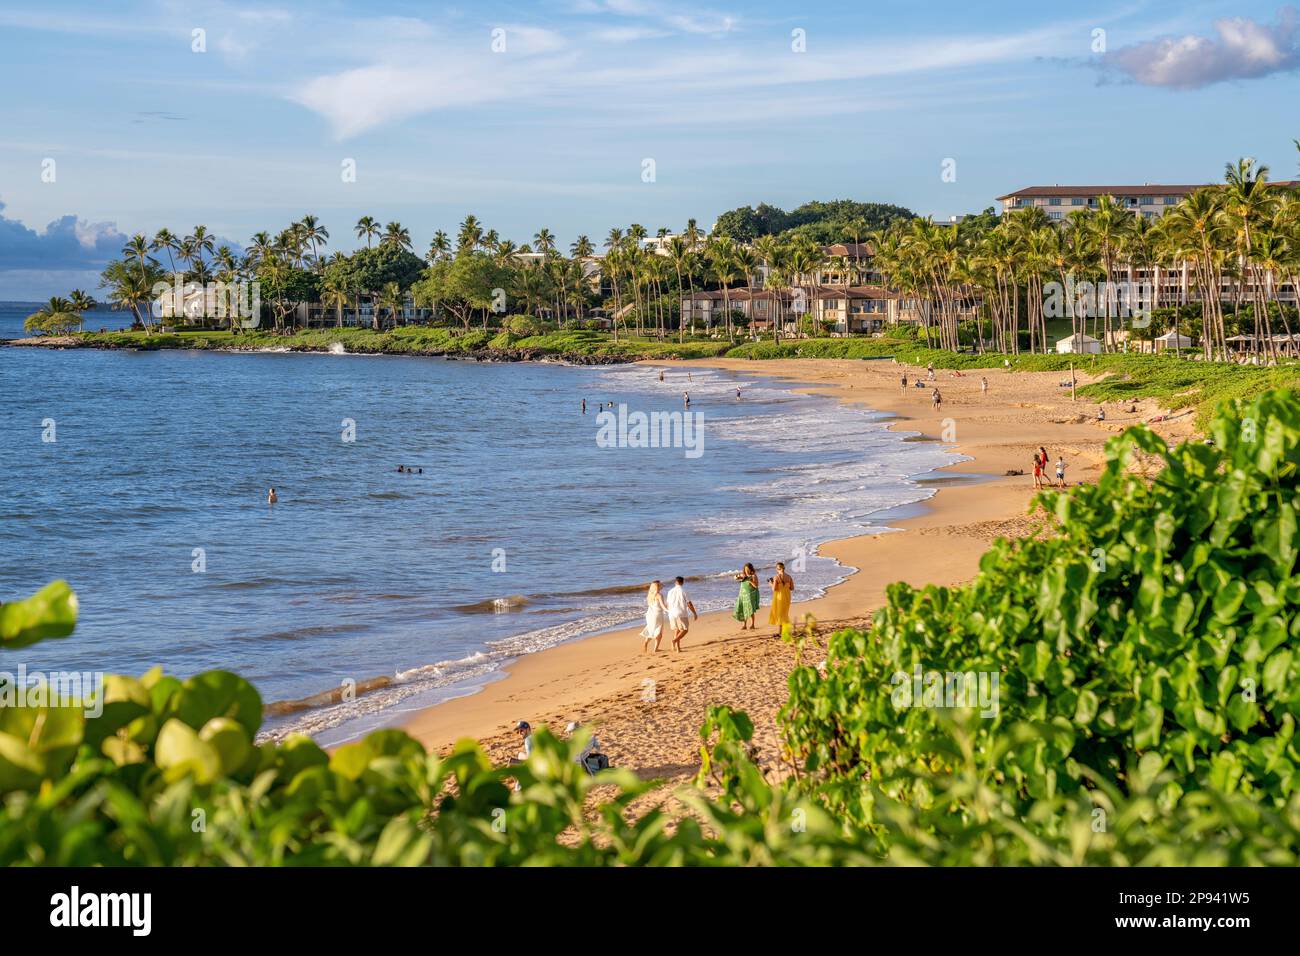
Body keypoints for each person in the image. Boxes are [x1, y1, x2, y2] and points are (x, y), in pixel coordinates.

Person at [665, 576, 698, 652]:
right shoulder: (684, 591)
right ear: (682, 582)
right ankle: (674, 640)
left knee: (677, 630)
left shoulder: (670, 591)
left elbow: (667, 604)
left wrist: (669, 611)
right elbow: (689, 603)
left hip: (671, 613)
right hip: (680, 613)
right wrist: (694, 613)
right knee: (685, 629)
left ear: (675, 582)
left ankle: (678, 649)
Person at [640, 580, 670, 652]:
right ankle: (655, 649)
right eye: (660, 585)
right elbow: (663, 606)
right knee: (659, 632)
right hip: (657, 615)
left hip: (649, 615)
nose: (662, 585)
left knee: (651, 630)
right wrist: (669, 611)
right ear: (658, 587)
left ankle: (645, 643)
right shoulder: (659, 595)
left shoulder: (649, 595)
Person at [768, 562, 794, 638]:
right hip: (787, 597)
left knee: (780, 614)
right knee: (785, 613)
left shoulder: (776, 577)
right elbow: (792, 588)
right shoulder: (789, 577)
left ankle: (781, 632)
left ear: (777, 569)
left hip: (779, 597)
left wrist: (770, 583)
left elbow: (774, 589)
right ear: (784, 568)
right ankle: (784, 631)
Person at [733, 563, 760, 630]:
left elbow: (756, 586)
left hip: (750, 595)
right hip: (742, 594)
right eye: (745, 569)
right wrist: (737, 576)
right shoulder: (743, 575)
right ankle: (744, 625)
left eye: (748, 569)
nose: (747, 571)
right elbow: (735, 578)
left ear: (751, 569)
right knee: (743, 609)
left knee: (750, 610)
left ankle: (752, 624)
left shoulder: (753, 576)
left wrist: (750, 581)